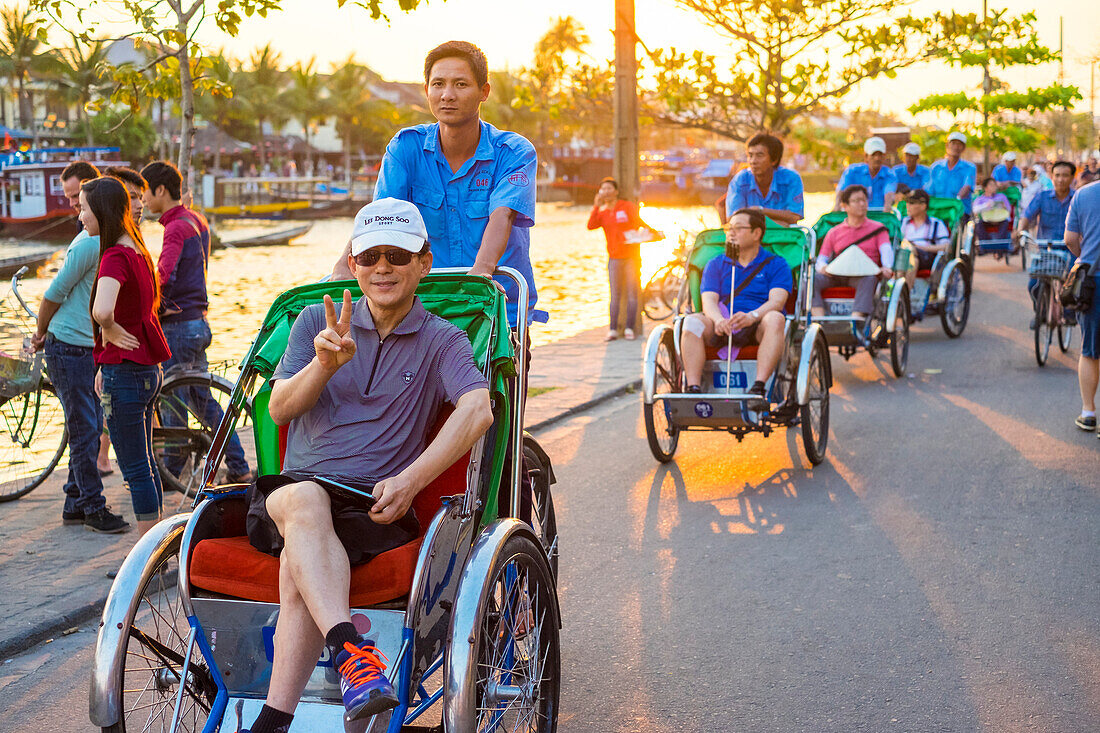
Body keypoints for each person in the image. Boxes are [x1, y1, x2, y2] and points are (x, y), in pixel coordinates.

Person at [240, 198, 493, 732]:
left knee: (297, 568)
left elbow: (478, 408)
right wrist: (323, 365)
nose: (383, 267)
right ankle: (350, 653)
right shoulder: (317, 319)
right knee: (305, 498)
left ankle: (274, 720)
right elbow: (279, 408)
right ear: (353, 264)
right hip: (293, 491)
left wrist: (411, 479)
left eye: (397, 256)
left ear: (423, 263)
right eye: (370, 256)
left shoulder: (442, 339)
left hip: (371, 508)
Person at [333, 40, 541, 329]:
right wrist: (344, 265)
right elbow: (379, 217)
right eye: (438, 84)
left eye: (460, 85)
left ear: (484, 91)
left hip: (497, 305)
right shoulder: (406, 148)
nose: (447, 95)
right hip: (425, 305)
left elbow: (502, 215)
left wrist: (480, 275)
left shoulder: (514, 152)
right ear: (427, 89)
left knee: (496, 371)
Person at [29, 162, 130, 533]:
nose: (76, 211)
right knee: (85, 427)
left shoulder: (107, 242)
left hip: (85, 347)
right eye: (74, 203)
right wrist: (40, 334)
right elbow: (53, 293)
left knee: (86, 424)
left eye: (81, 204)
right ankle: (92, 506)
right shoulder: (89, 243)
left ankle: (74, 499)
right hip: (67, 346)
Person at [141, 160, 253, 483]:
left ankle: (174, 472)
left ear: (161, 190)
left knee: (175, 400)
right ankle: (238, 465)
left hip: (179, 326)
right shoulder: (196, 220)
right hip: (197, 322)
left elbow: (164, 275)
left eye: (146, 193)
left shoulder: (175, 227)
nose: (144, 200)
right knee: (203, 401)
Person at [85, 177, 172, 536]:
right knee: (146, 464)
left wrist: (106, 328)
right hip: (146, 370)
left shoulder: (115, 255)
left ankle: (148, 562)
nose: (79, 216)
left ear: (102, 211)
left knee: (136, 469)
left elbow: (102, 309)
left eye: (83, 208)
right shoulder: (136, 249)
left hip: (127, 374)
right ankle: (160, 551)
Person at [680, 208, 791, 404]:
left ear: (757, 233)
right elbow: (708, 301)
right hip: (721, 322)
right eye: (729, 228)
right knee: (691, 323)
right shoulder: (716, 264)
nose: (731, 233)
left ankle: (759, 386)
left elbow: (777, 301)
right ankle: (693, 388)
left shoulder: (777, 264)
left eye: (738, 228)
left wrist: (752, 316)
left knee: (776, 318)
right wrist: (719, 320)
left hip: (758, 323)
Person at [587, 177, 658, 341]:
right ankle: (612, 329)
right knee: (615, 295)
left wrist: (654, 232)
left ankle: (629, 328)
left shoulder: (627, 207)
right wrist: (596, 205)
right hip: (614, 258)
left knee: (633, 293)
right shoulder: (602, 212)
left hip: (631, 257)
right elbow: (590, 226)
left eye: (609, 188)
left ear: (616, 191)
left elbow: (640, 222)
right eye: (603, 189)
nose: (606, 192)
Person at [812, 185, 894, 322]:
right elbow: (822, 259)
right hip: (837, 274)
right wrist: (822, 268)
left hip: (864, 275)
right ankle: (820, 320)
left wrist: (886, 267)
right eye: (856, 201)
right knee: (811, 280)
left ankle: (855, 322)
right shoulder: (834, 232)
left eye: (864, 200)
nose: (861, 204)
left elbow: (886, 251)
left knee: (869, 279)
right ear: (845, 206)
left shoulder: (878, 229)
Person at [1016, 161, 1077, 322]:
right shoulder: (1042, 196)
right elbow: (1027, 216)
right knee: (1033, 285)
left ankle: (1070, 314)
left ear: (1072, 177)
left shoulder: (1077, 198)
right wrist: (1020, 230)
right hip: (1045, 250)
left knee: (1072, 284)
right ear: (1051, 177)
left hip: (1070, 250)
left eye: (1065, 175)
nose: (1061, 179)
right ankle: (1040, 311)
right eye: (1057, 175)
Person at [1064, 181, 1100, 437]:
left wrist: (1085, 255)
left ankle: (1088, 413)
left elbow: (1069, 239)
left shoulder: (1084, 194)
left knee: (1089, 350)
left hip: (1092, 280)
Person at [724, 133, 804, 225]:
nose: (753, 161)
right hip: (748, 237)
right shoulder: (740, 180)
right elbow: (733, 220)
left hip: (783, 237)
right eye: (750, 155)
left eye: (759, 155)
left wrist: (760, 211)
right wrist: (778, 222)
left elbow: (794, 217)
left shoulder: (791, 178)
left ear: (774, 160)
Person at [899, 189, 950, 291]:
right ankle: (903, 295)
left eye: (912, 203)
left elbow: (946, 247)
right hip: (906, 255)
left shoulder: (936, 224)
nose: (907, 206)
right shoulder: (903, 222)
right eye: (907, 202)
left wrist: (922, 248)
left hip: (926, 256)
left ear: (923, 206)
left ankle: (903, 296)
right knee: (910, 258)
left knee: (910, 255)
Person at [834, 136, 897, 213]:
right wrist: (837, 206)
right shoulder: (852, 171)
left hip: (879, 215)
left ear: (884, 156)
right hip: (854, 215)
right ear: (866, 156)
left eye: (880, 154)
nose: (877, 158)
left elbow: (889, 192)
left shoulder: (889, 174)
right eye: (873, 155)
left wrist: (887, 208)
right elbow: (841, 190)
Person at [928, 131, 977, 221]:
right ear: (947, 145)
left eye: (959, 144)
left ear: (963, 148)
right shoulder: (936, 167)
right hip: (937, 210)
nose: (956, 147)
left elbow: (966, 187)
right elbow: (929, 190)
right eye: (953, 143)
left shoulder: (969, 167)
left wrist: (956, 200)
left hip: (959, 211)